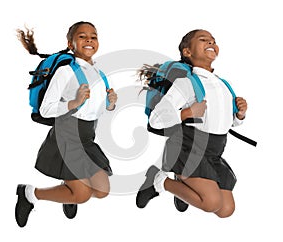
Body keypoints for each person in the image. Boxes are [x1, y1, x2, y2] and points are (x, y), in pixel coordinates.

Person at [15, 21, 117, 227]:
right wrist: (73, 103)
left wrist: (111, 104)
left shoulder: (99, 74)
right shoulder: (65, 72)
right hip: (66, 137)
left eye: (93, 36)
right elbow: (46, 109)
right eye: (82, 36)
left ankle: (67, 190)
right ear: (71, 44)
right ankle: (29, 194)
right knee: (81, 195)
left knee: (102, 190)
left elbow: (95, 109)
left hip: (87, 138)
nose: (89, 39)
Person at [136, 29, 247, 218]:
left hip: (213, 152)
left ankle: (184, 185)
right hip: (189, 149)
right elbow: (156, 119)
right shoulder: (186, 83)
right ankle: (159, 181)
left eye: (213, 41)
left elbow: (225, 123)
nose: (210, 43)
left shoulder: (223, 85)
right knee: (211, 202)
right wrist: (187, 113)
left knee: (226, 210)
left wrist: (240, 115)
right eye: (203, 40)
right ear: (187, 52)